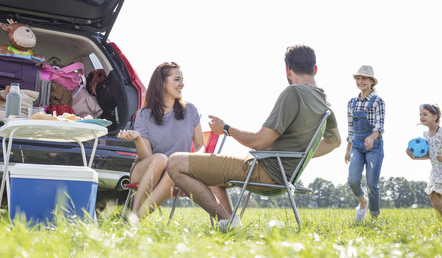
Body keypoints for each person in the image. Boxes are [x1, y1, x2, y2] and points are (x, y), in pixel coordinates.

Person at [167, 45, 341, 228]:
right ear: (315, 69)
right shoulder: (324, 101)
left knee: (174, 163)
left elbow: (260, 142)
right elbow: (335, 141)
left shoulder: (293, 93)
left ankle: (227, 222)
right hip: (282, 175)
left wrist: (226, 128)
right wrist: (301, 152)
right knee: (210, 175)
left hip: (263, 172)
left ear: (288, 70)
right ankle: (233, 226)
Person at [118, 62, 204, 219]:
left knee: (173, 168)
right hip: (145, 170)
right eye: (177, 79)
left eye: (182, 79)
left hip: (176, 172)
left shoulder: (190, 110)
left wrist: (192, 163)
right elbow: (147, 157)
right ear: (162, 83)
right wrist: (137, 138)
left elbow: (200, 146)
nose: (182, 84)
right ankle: (133, 219)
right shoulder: (144, 115)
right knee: (161, 159)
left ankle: (133, 220)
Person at [344, 65, 386, 222]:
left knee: (372, 183)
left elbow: (379, 127)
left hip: (374, 147)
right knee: (353, 180)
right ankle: (363, 202)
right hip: (356, 145)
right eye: (358, 78)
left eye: (364, 78)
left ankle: (374, 217)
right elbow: (350, 129)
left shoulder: (378, 101)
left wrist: (371, 138)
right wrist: (348, 149)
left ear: (372, 81)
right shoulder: (351, 103)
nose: (360, 81)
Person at [406, 104, 442, 218]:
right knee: (434, 195)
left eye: (425, 114)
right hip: (435, 170)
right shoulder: (425, 135)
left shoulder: (441, 133)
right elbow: (429, 155)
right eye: (420, 114)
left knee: (434, 194)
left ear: (434, 117)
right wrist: (415, 157)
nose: (421, 117)